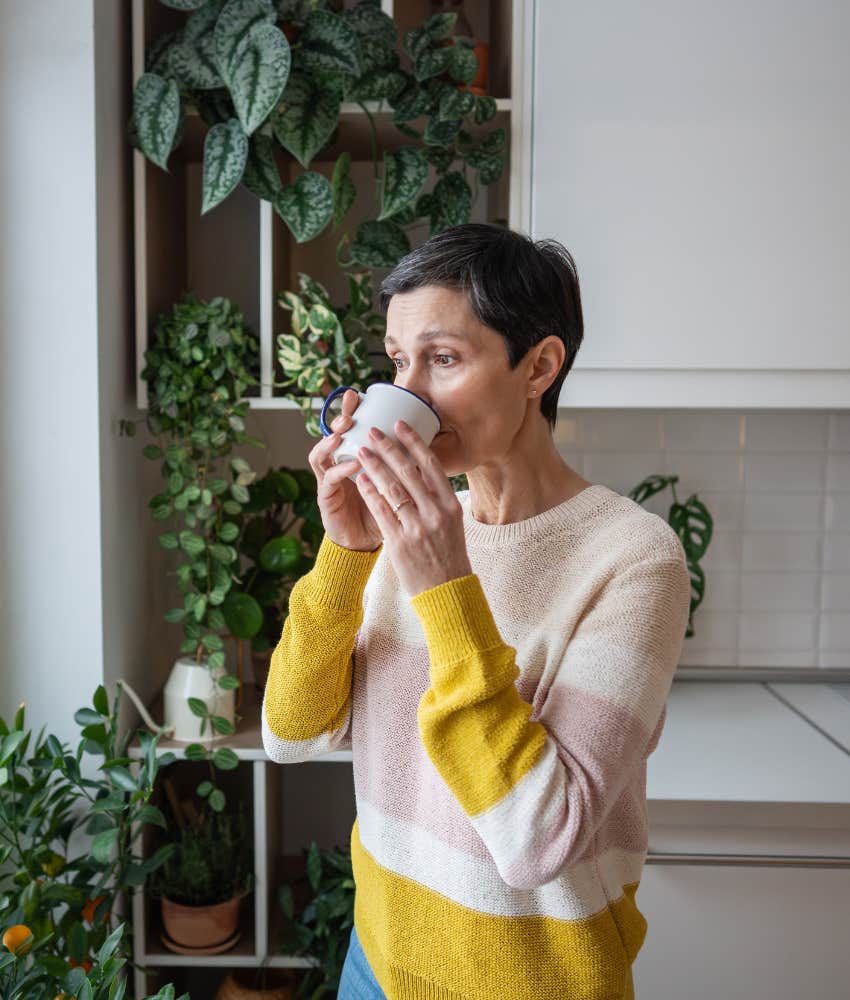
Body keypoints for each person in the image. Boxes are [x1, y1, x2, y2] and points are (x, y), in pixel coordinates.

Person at [262, 223, 691, 1000]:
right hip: (377, 967)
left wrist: (445, 584)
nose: (409, 393)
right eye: (398, 361)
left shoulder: (634, 559)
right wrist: (348, 552)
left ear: (540, 367)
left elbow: (539, 841)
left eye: (444, 358)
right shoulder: (407, 530)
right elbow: (290, 734)